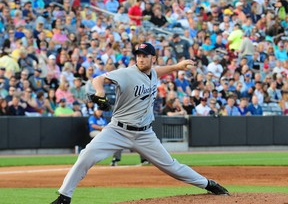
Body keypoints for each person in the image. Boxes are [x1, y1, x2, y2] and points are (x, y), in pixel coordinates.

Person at [51, 42, 229, 204]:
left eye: (145, 55)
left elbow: (158, 71)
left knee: (172, 167)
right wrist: (100, 92)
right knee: (86, 155)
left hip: (145, 134)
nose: (141, 58)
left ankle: (209, 184)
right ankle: (64, 196)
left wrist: (176, 66)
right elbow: (98, 79)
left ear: (153, 58)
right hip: (117, 130)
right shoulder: (127, 73)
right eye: (139, 55)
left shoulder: (152, 73)